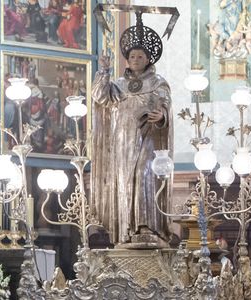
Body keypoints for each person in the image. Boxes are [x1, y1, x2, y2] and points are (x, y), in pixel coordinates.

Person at [91, 16, 172, 246]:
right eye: (132, 56)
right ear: (127, 59)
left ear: (148, 59)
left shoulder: (157, 82)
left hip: (146, 137)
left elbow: (165, 104)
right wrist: (104, 71)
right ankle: (125, 228)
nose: (136, 59)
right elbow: (99, 96)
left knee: (144, 176)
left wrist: (162, 115)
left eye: (140, 56)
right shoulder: (118, 84)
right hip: (121, 141)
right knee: (124, 181)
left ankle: (146, 226)